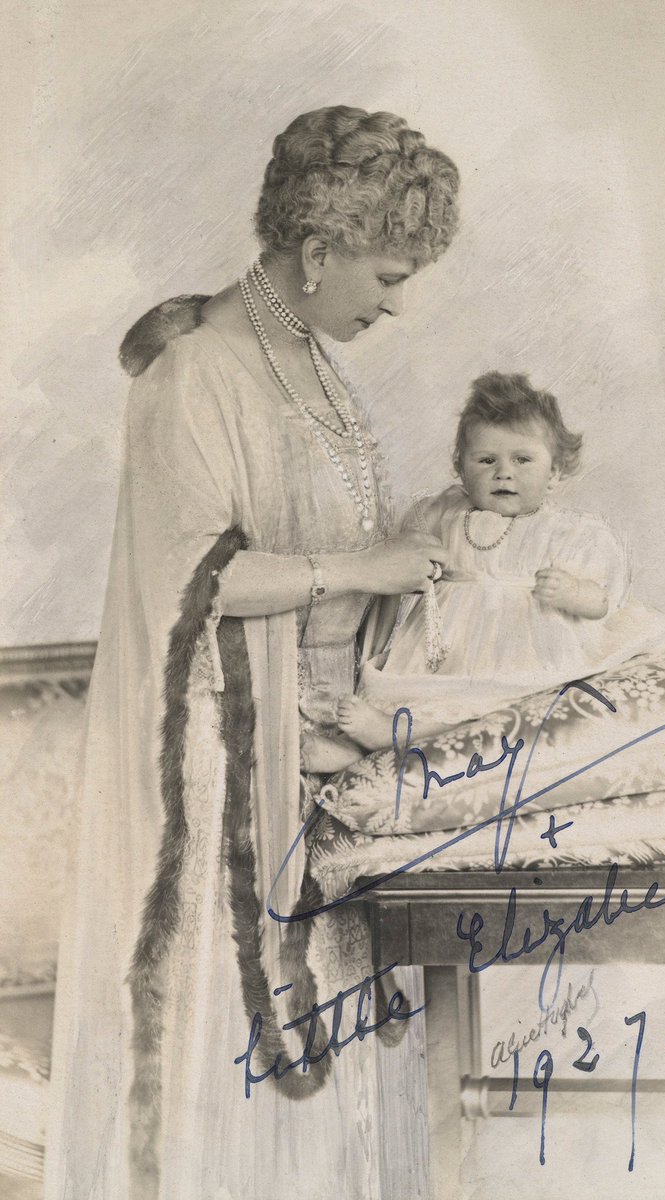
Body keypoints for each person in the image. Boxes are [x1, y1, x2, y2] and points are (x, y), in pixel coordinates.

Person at [45, 105, 459, 1200]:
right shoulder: (196, 371)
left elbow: (336, 539)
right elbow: (196, 580)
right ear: (317, 251)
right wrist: (365, 570)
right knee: (234, 1045)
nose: (394, 301)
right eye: (384, 272)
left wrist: (418, 556)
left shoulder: (318, 366)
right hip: (223, 761)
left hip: (321, 750)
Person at [337, 370, 665, 749]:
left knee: (512, 712)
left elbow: (602, 602)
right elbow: (405, 565)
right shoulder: (444, 516)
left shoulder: (567, 532)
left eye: (523, 460)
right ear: (460, 468)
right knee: (439, 699)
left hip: (530, 650)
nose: (504, 472)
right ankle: (390, 734)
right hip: (455, 649)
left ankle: (399, 736)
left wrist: (573, 591)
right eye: (486, 460)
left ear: (553, 472)